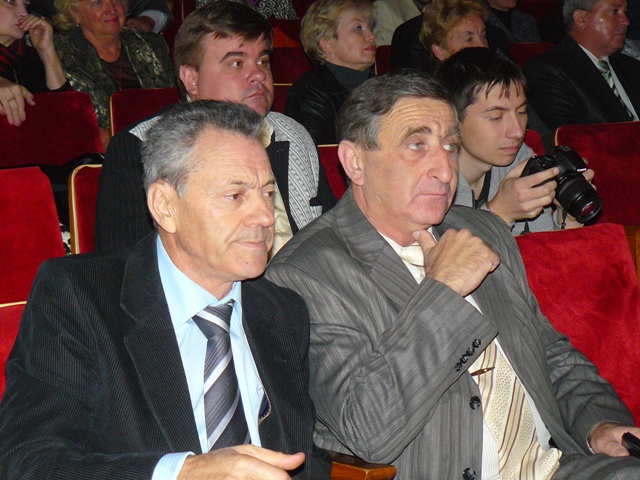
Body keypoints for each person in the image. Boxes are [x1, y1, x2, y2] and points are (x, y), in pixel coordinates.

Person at [266, 71, 640, 479]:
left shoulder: (482, 230)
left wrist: (599, 425)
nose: (445, 171)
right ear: (355, 162)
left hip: (549, 467)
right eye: (417, 145)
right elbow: (368, 431)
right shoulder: (305, 274)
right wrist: (443, 291)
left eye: (450, 146)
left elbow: (549, 353)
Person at [0, 100, 331, 480]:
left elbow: (307, 459)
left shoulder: (282, 310)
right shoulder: (81, 297)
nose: (266, 216)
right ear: (165, 206)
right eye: (235, 195)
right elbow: (28, 462)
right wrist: (182, 473)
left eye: (268, 193)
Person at [94, 0, 336, 252]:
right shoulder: (139, 149)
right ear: (191, 79)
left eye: (263, 61)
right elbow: (127, 264)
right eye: (237, 63)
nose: (259, 74)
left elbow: (333, 239)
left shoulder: (294, 135)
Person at [436, 47, 591, 234]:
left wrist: (568, 217)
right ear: (452, 119)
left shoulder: (519, 160)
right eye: (496, 117)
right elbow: (440, 252)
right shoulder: (429, 180)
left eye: (521, 112)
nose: (517, 131)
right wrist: (500, 213)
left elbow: (542, 247)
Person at [53, 0, 175, 146]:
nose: (111, 10)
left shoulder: (152, 44)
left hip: (161, 146)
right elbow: (61, 120)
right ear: (75, 14)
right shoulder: (58, 51)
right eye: (98, 3)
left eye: (116, 0)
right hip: (98, 152)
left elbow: (175, 105)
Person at [523, 0, 640, 135]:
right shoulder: (546, 70)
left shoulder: (632, 66)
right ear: (581, 19)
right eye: (614, 12)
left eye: (625, 12)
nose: (626, 21)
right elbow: (574, 137)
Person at [285, 0, 376, 145]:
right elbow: (312, 154)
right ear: (328, 43)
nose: (371, 36)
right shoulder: (308, 93)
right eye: (358, 28)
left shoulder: (385, 87)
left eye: (370, 27)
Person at [391, 0, 510, 75]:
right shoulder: (436, 95)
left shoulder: (498, 76)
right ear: (440, 51)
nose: (483, 45)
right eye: (469, 39)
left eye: (483, 36)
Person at [0, 0, 68, 126]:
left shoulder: (29, 58)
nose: (23, 13)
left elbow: (70, 116)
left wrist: (47, 52)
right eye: (10, 2)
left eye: (25, 5)